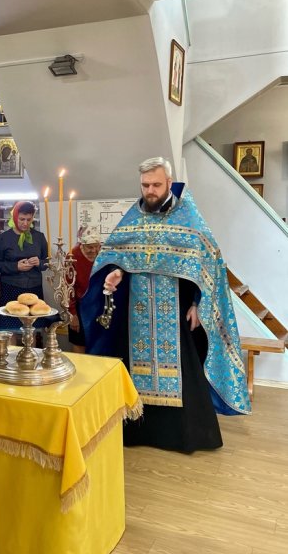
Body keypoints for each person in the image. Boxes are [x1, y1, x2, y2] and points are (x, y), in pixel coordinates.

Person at [82, 156, 251, 454]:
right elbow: (120, 257)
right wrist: (117, 273)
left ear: (169, 183)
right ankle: (135, 431)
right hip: (137, 311)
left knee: (183, 369)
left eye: (156, 185)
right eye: (145, 185)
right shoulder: (133, 218)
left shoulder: (188, 217)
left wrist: (198, 302)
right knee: (132, 367)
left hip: (177, 307)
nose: (150, 191)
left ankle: (185, 435)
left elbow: (207, 264)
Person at [0, 201, 48, 336]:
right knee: (10, 326)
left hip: (34, 288)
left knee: (32, 326)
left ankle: (32, 349)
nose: (25, 223)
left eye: (29, 220)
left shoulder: (39, 237)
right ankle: (11, 349)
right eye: (22, 219)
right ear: (15, 217)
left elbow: (47, 262)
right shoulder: (4, 238)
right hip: (11, 287)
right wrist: (15, 266)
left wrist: (39, 262)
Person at [67, 226, 101, 354]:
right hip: (79, 305)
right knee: (79, 341)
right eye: (90, 247)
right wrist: (73, 314)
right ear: (82, 244)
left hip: (98, 304)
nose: (94, 251)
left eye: (97, 246)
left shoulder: (103, 254)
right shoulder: (72, 256)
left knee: (98, 341)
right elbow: (68, 287)